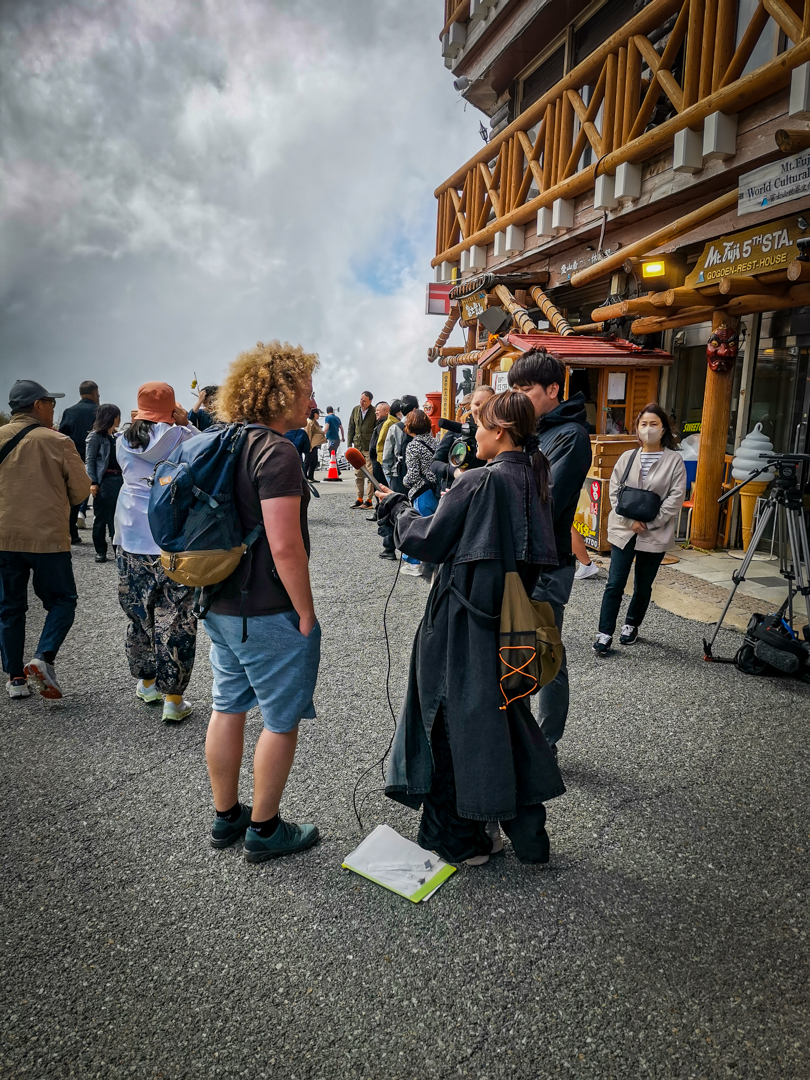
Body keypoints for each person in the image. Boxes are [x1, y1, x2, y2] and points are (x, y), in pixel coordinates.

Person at [377, 391, 562, 865]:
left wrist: (397, 507)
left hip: (463, 620)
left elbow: (429, 539)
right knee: (498, 719)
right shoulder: (536, 472)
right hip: (511, 620)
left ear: (499, 431)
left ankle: (457, 840)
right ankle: (520, 833)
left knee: (447, 721)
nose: (470, 434)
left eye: (477, 424)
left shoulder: (480, 480)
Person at [202, 340, 321, 862]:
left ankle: (226, 817)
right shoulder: (277, 451)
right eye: (306, 388)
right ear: (282, 391)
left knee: (227, 706)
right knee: (279, 717)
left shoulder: (222, 441)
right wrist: (307, 612)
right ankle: (266, 829)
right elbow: (284, 544)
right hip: (267, 607)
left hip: (219, 600)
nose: (312, 399)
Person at [508, 349, 592, 756]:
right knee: (518, 649)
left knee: (546, 654)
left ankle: (546, 744)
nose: (518, 397)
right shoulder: (534, 429)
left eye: (525, 389)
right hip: (521, 559)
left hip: (548, 562)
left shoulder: (570, 436)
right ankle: (521, 738)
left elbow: (544, 501)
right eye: (513, 389)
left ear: (553, 389)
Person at [0, 379, 90, 699]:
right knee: (62, 600)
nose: (54, 407)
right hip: (47, 538)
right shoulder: (59, 442)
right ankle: (43, 656)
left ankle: (15, 679)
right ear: (38, 405)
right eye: (50, 402)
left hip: (4, 538)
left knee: (9, 607)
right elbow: (80, 491)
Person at [114, 382, 198, 723]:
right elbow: (205, 453)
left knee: (138, 614)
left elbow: (131, 435)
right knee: (176, 618)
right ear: (172, 408)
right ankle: (173, 700)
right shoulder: (182, 438)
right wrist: (187, 422)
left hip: (131, 536)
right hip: (172, 539)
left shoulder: (123, 440)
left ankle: (147, 682)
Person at [593, 404, 687, 654]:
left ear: (664, 428)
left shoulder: (674, 460)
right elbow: (614, 493)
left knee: (643, 585)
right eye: (643, 424)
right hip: (624, 530)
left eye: (653, 424)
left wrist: (651, 523)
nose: (648, 429)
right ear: (637, 429)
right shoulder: (627, 457)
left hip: (655, 532)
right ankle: (604, 633)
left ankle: (631, 625)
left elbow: (675, 498)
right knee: (614, 583)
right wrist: (629, 522)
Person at [430, 384, 494, 490]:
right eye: (477, 404)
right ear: (470, 406)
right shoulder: (457, 431)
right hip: (454, 490)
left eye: (486, 404)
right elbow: (434, 463)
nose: (481, 409)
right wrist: (454, 471)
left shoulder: (498, 435)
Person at [399, 409, 438, 578]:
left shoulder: (413, 446)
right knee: (433, 526)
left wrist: (404, 482)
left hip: (422, 491)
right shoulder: (435, 441)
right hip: (436, 489)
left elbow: (413, 475)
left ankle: (415, 564)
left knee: (418, 527)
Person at [59, 379, 99, 541]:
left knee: (71, 495)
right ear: (95, 393)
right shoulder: (99, 411)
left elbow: (61, 435)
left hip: (72, 458)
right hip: (95, 460)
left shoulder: (70, 412)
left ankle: (71, 531)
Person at [85, 404, 122, 564]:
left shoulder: (116, 436)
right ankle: (100, 551)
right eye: (117, 415)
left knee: (116, 517)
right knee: (100, 518)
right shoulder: (95, 436)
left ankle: (117, 550)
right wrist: (93, 481)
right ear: (111, 417)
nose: (119, 419)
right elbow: (90, 460)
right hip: (104, 480)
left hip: (118, 480)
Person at [381, 393, 419, 491]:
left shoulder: (395, 428)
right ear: (415, 409)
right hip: (420, 476)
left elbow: (387, 456)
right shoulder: (424, 427)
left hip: (398, 473)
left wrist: (390, 476)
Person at [347, 391, 376, 507]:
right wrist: (349, 444)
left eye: (364, 400)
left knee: (370, 474)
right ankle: (359, 498)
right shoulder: (355, 410)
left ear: (370, 401)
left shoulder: (374, 412)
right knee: (358, 473)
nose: (361, 402)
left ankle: (368, 500)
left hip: (368, 447)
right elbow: (351, 427)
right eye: (361, 400)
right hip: (357, 446)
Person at [366, 402, 390, 523]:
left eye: (378, 410)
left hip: (379, 461)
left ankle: (380, 512)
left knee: (380, 486)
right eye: (376, 410)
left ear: (387, 411)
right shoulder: (381, 424)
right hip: (376, 460)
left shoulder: (385, 425)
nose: (376, 412)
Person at [304, 408, 326, 481]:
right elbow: (308, 434)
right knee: (308, 461)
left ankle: (311, 476)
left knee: (314, 462)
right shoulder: (309, 422)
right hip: (311, 445)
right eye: (318, 414)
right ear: (314, 414)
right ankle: (304, 476)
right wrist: (309, 445)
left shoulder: (315, 422)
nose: (319, 416)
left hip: (315, 445)